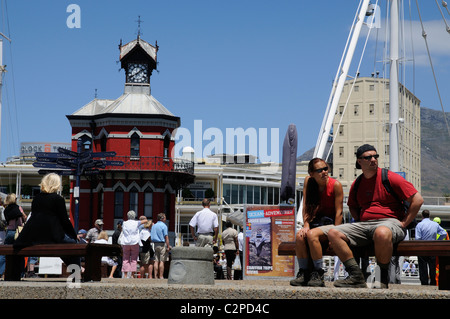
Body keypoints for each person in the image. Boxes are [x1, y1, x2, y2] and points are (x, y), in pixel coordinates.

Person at [327, 144, 423, 289]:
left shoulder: (390, 177)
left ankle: (381, 277)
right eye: (368, 157)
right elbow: (352, 204)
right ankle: (355, 275)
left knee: (381, 232)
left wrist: (404, 223)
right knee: (333, 232)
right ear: (359, 161)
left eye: (375, 156)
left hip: (390, 223)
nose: (373, 159)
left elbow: (418, 200)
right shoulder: (358, 183)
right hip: (365, 224)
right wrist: (359, 220)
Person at [14, 173, 79, 280]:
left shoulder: (37, 198)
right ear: (56, 184)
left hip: (35, 237)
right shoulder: (58, 199)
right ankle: (76, 275)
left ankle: (14, 274)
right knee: (74, 246)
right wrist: (74, 235)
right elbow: (64, 221)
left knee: (66, 247)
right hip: (53, 236)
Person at [290, 158, 343, 287]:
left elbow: (339, 213)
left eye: (326, 168)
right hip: (315, 222)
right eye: (320, 170)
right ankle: (304, 273)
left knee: (312, 234)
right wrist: (306, 225)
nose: (324, 172)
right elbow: (306, 206)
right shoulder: (308, 182)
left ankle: (318, 273)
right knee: (300, 236)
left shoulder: (335, 185)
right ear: (311, 173)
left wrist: (334, 235)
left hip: (330, 224)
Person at [415, 210, 447, 285]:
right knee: (432, 266)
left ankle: (424, 283)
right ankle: (433, 282)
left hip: (422, 248)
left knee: (423, 267)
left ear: (422, 216)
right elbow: (444, 233)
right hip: (432, 247)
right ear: (429, 215)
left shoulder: (419, 225)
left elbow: (418, 238)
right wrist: (438, 241)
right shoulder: (435, 224)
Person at [0, 194, 27, 276]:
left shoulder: (6, 209)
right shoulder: (18, 208)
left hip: (9, 231)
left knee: (5, 253)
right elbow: (24, 217)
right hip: (18, 231)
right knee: (20, 252)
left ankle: (0, 272)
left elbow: (5, 220)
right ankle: (21, 273)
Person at [121, 211, 147, 278]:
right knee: (134, 259)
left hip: (126, 242)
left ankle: (125, 275)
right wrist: (142, 218)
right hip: (135, 242)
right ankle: (132, 275)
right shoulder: (136, 222)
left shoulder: (124, 223)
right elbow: (145, 221)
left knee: (125, 259)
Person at [150, 213, 171, 279]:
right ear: (162, 218)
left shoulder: (154, 226)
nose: (165, 219)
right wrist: (168, 246)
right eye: (164, 217)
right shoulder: (164, 226)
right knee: (162, 261)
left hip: (155, 244)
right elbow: (166, 237)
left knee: (156, 260)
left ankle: (155, 276)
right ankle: (161, 276)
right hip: (161, 244)